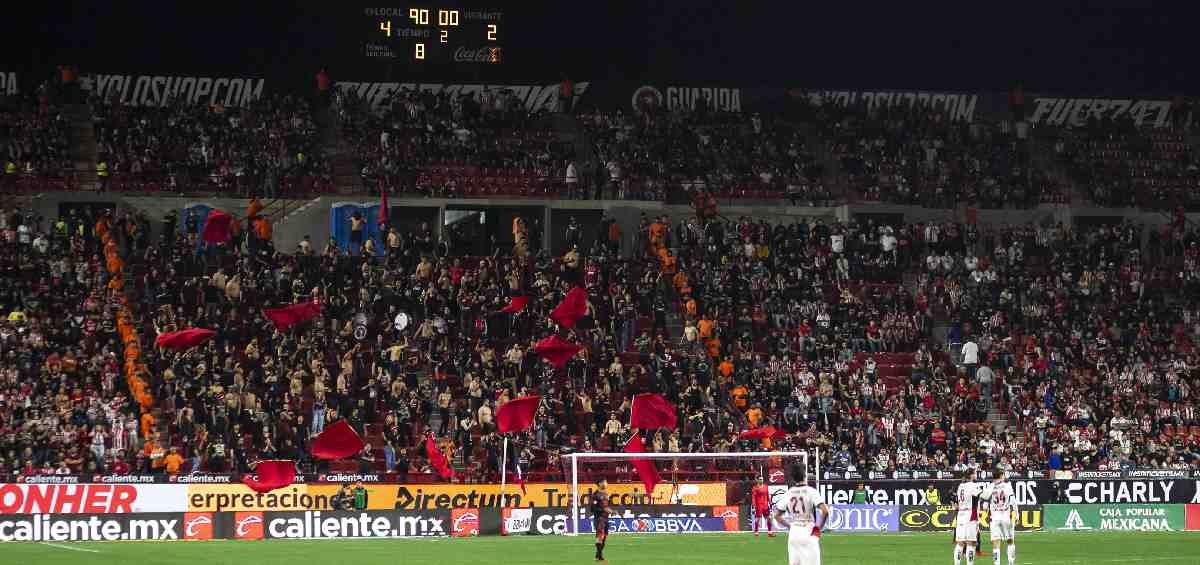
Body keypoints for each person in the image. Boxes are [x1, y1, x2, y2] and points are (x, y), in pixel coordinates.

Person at [772, 466, 828, 565]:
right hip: (808, 531)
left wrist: (789, 526)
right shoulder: (811, 491)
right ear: (804, 476)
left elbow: (776, 515)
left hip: (794, 533)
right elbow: (825, 511)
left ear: (793, 478)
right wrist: (818, 529)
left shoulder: (789, 493)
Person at [984, 470, 1018, 565]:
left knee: (996, 543)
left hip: (994, 518)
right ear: (1001, 476)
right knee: (1010, 541)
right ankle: (1011, 563)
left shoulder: (990, 487)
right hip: (1005, 516)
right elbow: (1012, 501)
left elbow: (984, 506)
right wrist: (1016, 514)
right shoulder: (1007, 486)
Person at [953, 469, 984, 565]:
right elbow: (984, 495)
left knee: (960, 543)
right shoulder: (973, 485)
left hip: (961, 514)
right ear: (971, 475)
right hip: (970, 514)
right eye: (974, 473)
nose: (976, 475)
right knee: (971, 542)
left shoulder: (960, 486)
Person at [590, 478, 611, 562]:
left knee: (604, 537)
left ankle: (597, 556)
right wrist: (604, 510)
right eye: (605, 482)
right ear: (600, 483)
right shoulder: (595, 495)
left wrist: (611, 511)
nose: (606, 484)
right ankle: (600, 557)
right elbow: (592, 508)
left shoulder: (606, 494)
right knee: (600, 537)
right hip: (599, 519)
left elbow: (606, 507)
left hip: (606, 518)